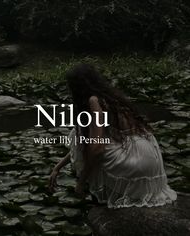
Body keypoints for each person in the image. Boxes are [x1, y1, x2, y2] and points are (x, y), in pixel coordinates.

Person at [49, 63, 177, 208]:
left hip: (135, 163)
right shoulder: (109, 98)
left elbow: (96, 149)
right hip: (149, 160)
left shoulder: (93, 101)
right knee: (80, 132)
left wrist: (81, 181)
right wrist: (58, 167)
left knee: (82, 136)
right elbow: (81, 144)